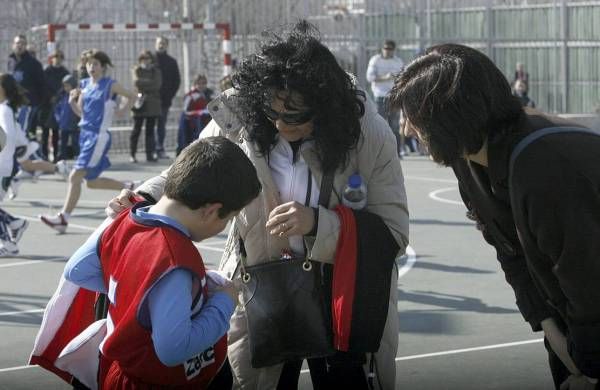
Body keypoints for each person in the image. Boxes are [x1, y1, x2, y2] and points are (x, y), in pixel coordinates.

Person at [108, 21, 409, 390]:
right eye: (273, 114)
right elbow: (189, 169)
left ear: (325, 105)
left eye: (295, 115)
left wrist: (318, 222)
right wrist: (143, 197)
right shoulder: (239, 120)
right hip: (260, 288)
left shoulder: (369, 134)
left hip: (344, 300)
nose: (282, 124)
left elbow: (393, 231)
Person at [390, 43, 600, 390]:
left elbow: (589, 285)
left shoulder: (544, 169)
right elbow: (511, 255)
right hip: (571, 332)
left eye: (414, 117)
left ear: (452, 115)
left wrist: (589, 370)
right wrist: (564, 349)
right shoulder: (469, 161)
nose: (407, 129)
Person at [62, 136, 261, 389]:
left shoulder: (126, 220)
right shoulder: (175, 262)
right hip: (155, 381)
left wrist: (133, 289)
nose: (223, 227)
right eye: (228, 219)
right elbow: (173, 350)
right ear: (211, 211)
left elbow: (76, 270)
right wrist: (224, 303)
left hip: (117, 374)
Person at [39, 50, 139, 234]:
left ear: (102, 67)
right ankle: (130, 187)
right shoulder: (84, 85)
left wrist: (122, 111)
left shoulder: (109, 85)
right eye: (89, 64)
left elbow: (132, 96)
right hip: (85, 135)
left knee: (74, 177)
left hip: (98, 137)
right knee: (91, 182)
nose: (92, 67)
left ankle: (63, 218)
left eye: (95, 64)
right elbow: (82, 114)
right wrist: (71, 103)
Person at [0, 73, 29, 256]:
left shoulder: (4, 110)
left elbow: (8, 138)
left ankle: (8, 243)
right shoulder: (5, 108)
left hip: (2, 165)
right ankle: (14, 223)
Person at [366, 39, 405, 156]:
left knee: (394, 125)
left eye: (390, 49)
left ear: (394, 50)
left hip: (393, 96)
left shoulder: (398, 61)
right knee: (380, 125)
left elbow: (403, 76)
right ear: (382, 49)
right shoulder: (375, 60)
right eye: (385, 48)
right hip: (380, 96)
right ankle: (380, 152)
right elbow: (370, 77)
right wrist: (386, 77)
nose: (387, 51)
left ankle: (396, 151)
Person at [7, 34, 45, 138]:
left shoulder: (34, 64)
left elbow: (41, 84)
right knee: (12, 131)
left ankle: (25, 152)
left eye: (22, 43)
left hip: (27, 103)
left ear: (26, 46)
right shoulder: (11, 61)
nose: (19, 45)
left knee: (22, 132)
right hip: (12, 103)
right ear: (13, 45)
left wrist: (36, 103)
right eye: (17, 43)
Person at [130, 50, 162, 163]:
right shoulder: (136, 70)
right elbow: (136, 82)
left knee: (150, 131)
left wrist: (143, 84)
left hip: (153, 105)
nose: (145, 61)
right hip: (140, 104)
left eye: (148, 58)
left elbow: (157, 85)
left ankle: (150, 154)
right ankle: (132, 154)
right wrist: (149, 83)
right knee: (136, 130)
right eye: (143, 58)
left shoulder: (156, 71)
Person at [40, 49, 70, 161]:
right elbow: (42, 86)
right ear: (51, 58)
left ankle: (57, 156)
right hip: (46, 105)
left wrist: (58, 97)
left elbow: (67, 86)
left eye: (60, 57)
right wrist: (50, 97)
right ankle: (44, 155)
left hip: (59, 105)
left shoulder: (65, 72)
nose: (57, 59)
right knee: (45, 131)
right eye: (55, 56)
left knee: (57, 132)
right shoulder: (46, 71)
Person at [155, 36, 181, 159]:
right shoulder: (150, 60)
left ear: (167, 45)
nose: (161, 45)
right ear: (156, 44)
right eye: (159, 43)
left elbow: (177, 81)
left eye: (163, 43)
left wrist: (169, 95)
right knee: (149, 125)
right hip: (150, 99)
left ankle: (159, 149)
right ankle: (150, 152)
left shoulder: (171, 62)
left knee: (161, 124)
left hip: (164, 100)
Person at [177, 74, 213, 155]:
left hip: (206, 120)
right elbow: (185, 111)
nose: (201, 85)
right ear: (195, 84)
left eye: (203, 83)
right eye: (199, 83)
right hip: (192, 123)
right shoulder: (190, 95)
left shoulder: (209, 94)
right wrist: (199, 112)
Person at [54, 74, 80, 160]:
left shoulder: (77, 96)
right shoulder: (62, 96)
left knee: (75, 141)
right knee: (62, 142)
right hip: (64, 124)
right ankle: (62, 157)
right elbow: (57, 109)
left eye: (68, 86)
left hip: (74, 124)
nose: (66, 88)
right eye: (65, 86)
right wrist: (59, 119)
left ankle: (77, 155)